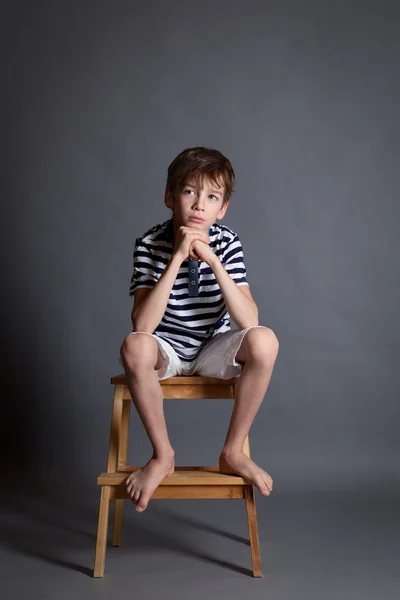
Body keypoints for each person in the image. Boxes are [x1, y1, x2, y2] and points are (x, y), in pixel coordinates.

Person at [120, 147, 279, 512]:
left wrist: (213, 261)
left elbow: (248, 321)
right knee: (134, 346)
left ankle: (233, 451)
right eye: (190, 192)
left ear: (221, 209)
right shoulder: (148, 244)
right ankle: (162, 455)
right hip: (168, 348)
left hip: (213, 348)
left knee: (264, 340)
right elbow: (143, 325)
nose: (198, 205)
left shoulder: (227, 242)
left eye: (211, 197)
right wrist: (177, 256)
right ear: (170, 197)